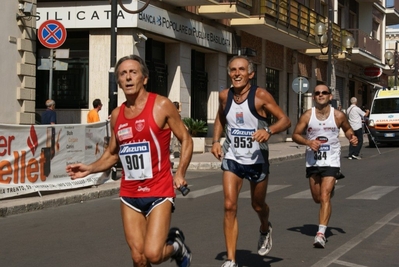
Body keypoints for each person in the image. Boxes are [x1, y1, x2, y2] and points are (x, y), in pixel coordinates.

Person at [66, 55, 193, 267]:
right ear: (118, 81)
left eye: (133, 72)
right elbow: (112, 154)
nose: (128, 77)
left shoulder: (161, 105)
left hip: (159, 189)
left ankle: (177, 247)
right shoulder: (117, 115)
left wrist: (180, 173)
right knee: (138, 258)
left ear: (144, 78)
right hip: (130, 192)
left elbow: (186, 139)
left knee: (153, 254)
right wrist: (89, 168)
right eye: (123, 74)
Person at [211, 56, 291, 267]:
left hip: (257, 159)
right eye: (233, 70)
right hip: (233, 158)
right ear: (229, 73)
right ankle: (231, 260)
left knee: (257, 205)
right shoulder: (224, 96)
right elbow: (220, 117)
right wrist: (215, 141)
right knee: (229, 206)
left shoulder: (261, 96)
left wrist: (269, 130)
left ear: (250, 74)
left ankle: (265, 227)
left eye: (241, 70)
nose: (237, 73)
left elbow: (285, 120)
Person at [292, 84, 358, 248]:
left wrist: (352, 137)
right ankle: (329, 190)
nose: (321, 95)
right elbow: (295, 134)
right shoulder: (308, 115)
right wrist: (308, 142)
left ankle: (320, 234)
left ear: (330, 96)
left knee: (324, 196)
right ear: (313, 97)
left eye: (324, 92)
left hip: (331, 160)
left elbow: (348, 130)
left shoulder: (338, 116)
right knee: (316, 198)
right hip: (313, 160)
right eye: (317, 93)